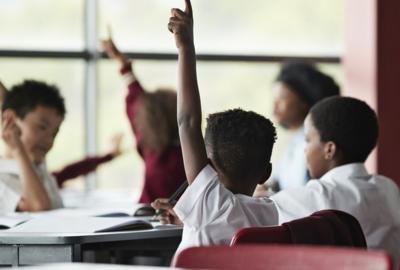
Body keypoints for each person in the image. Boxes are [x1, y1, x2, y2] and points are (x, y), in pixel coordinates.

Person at [151, 0, 278, 254]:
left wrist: (186, 47)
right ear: (266, 173)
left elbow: (187, 122)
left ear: (208, 167)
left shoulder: (212, 206)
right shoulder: (270, 214)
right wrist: (190, 217)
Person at [271, 96, 400, 268]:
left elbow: (253, 212)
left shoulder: (318, 195)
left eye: (308, 140)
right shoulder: (388, 189)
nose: (305, 149)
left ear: (329, 150)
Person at [101, 33, 186, 203]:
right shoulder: (193, 156)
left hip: (148, 215)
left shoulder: (150, 149)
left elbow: (136, 100)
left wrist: (123, 64)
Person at [270, 62, 339, 190]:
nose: (274, 106)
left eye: (282, 97)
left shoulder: (318, 145)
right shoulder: (294, 142)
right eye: (274, 98)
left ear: (304, 101)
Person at [0, 80, 65, 213]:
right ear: (11, 120)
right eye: (41, 127)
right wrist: (18, 149)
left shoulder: (39, 168)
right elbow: (38, 206)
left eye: (54, 133)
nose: (49, 140)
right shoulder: (3, 178)